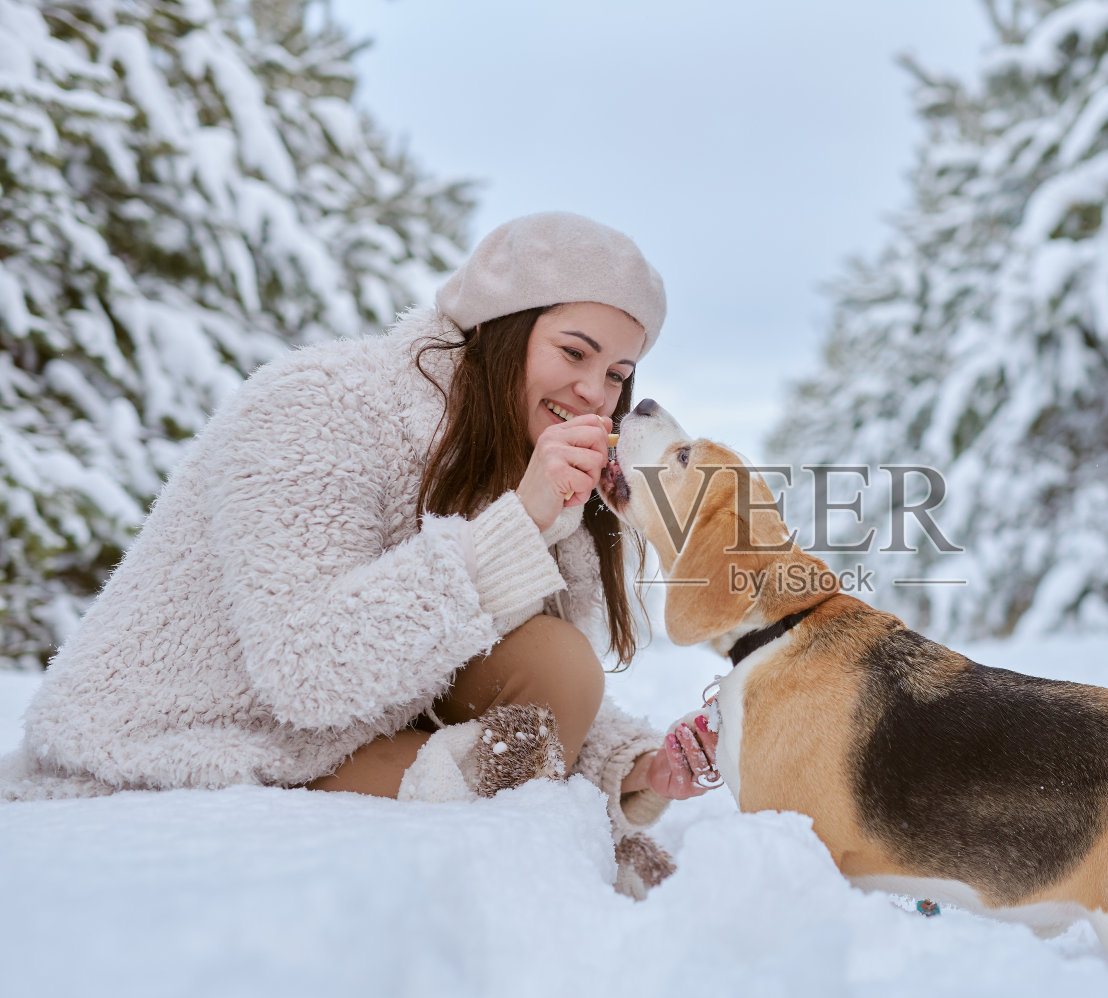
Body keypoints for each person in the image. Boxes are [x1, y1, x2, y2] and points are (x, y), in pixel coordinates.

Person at [2, 212, 717, 895]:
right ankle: (520, 838)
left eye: (618, 373)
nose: (594, 393)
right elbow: (306, 669)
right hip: (191, 738)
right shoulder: (320, 404)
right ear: (502, 327)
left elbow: (519, 671)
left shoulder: (529, 459)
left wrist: (633, 768)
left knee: (557, 662)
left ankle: (532, 826)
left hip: (357, 729)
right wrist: (519, 521)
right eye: (574, 352)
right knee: (514, 749)